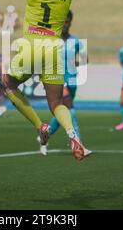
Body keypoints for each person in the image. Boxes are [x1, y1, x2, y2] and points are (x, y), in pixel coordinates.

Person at [1, 0, 87, 161]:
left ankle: (40, 126)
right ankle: (72, 135)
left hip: (30, 47)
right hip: (53, 49)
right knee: (57, 103)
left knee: (8, 84)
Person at [38, 10, 92, 157]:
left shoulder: (75, 41)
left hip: (72, 80)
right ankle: (78, 146)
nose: (65, 24)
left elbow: (85, 59)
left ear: (70, 22)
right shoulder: (52, 40)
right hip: (58, 80)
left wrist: (73, 62)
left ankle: (44, 136)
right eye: (63, 21)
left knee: (61, 115)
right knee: (71, 111)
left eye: (67, 21)